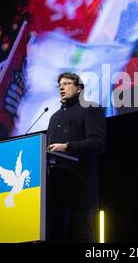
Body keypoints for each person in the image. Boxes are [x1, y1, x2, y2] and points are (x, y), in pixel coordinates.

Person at [46, 72, 107, 243]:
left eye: (66, 83)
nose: (61, 87)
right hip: (54, 186)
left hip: (79, 183)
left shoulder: (91, 109)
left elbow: (98, 143)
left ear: (79, 88)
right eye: (60, 85)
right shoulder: (53, 117)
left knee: (81, 234)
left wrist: (67, 147)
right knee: (54, 234)